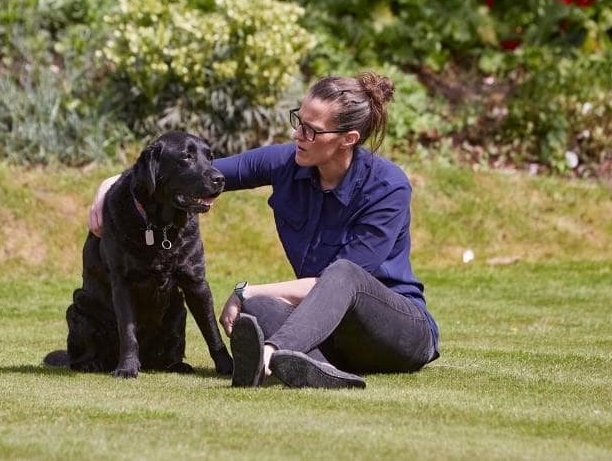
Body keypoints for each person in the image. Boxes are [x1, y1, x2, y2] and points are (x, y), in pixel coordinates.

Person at [89, 72, 439, 388]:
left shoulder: (388, 186)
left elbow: (339, 282)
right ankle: (320, 370)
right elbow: (196, 176)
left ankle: (271, 354)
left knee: (335, 275)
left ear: (348, 139)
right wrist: (111, 185)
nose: (297, 135)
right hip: (330, 332)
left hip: (398, 333)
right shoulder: (287, 162)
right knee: (258, 311)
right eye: (298, 122)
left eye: (311, 130)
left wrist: (245, 291)